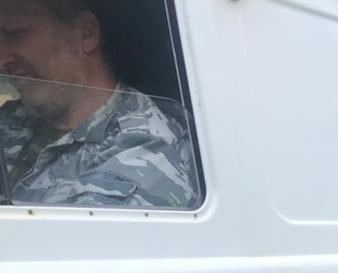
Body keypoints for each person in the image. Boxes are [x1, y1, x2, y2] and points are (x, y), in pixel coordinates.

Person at [0, 0, 196, 208]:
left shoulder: (145, 151)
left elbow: (69, 238)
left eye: (14, 34)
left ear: (85, 34)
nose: (2, 60)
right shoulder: (17, 118)